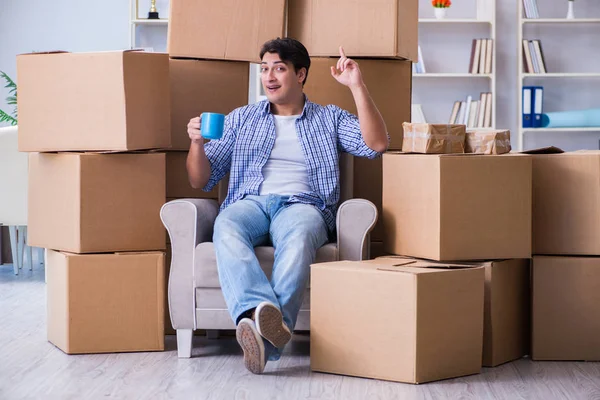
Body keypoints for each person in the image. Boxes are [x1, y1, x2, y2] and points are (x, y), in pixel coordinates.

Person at [186, 37, 388, 374]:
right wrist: (196, 144)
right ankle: (259, 313)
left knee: (298, 239)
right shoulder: (242, 119)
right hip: (249, 202)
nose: (269, 76)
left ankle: (263, 340)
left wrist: (357, 85)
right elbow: (200, 179)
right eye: (264, 69)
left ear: (301, 74)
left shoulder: (328, 118)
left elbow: (377, 144)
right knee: (226, 225)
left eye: (279, 68)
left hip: (303, 206)